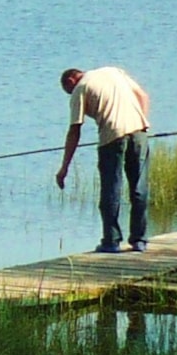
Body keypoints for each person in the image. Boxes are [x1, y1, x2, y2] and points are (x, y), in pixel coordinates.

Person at [57, 65, 153, 254]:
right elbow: (143, 96)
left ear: (70, 81)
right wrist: (140, 122)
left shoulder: (80, 89)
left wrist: (64, 168)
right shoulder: (113, 71)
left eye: (68, 92)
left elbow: (75, 130)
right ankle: (139, 240)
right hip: (139, 131)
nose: (71, 95)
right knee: (139, 188)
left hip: (111, 137)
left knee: (111, 188)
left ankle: (111, 241)